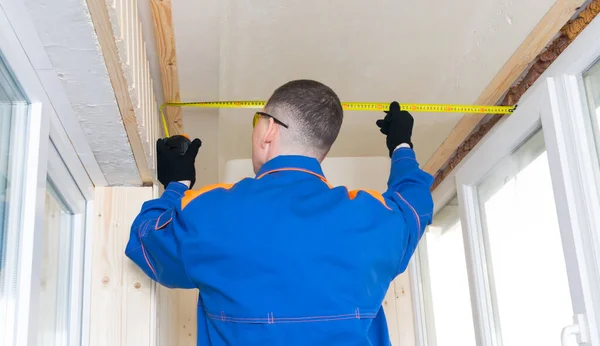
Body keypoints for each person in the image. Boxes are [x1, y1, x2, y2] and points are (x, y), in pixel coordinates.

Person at [125, 79, 434, 345]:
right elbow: (415, 204)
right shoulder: (377, 218)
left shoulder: (209, 210)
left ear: (269, 130)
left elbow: (145, 240)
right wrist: (401, 146)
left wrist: (177, 184)